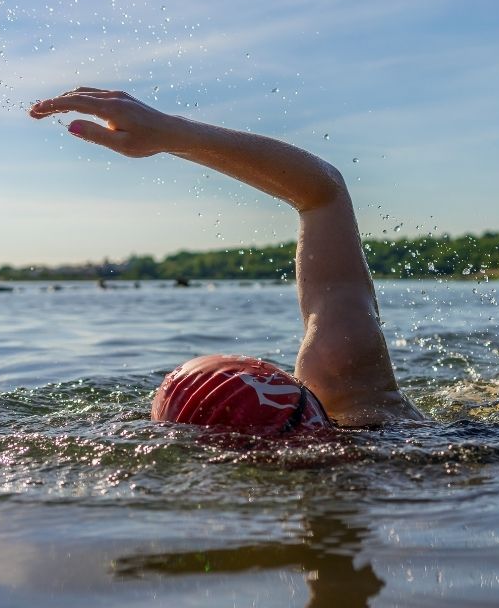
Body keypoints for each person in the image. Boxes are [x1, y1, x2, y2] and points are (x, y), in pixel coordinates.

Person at [30, 88, 424, 430]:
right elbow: (323, 193)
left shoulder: (354, 402)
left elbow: (323, 196)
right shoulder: (356, 397)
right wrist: (171, 133)